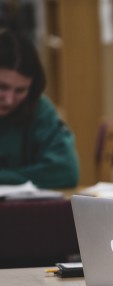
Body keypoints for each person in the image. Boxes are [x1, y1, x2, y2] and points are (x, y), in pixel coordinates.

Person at [0, 28, 79, 188]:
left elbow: (66, 171)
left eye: (20, 90)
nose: (9, 100)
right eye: (2, 87)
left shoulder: (39, 109)